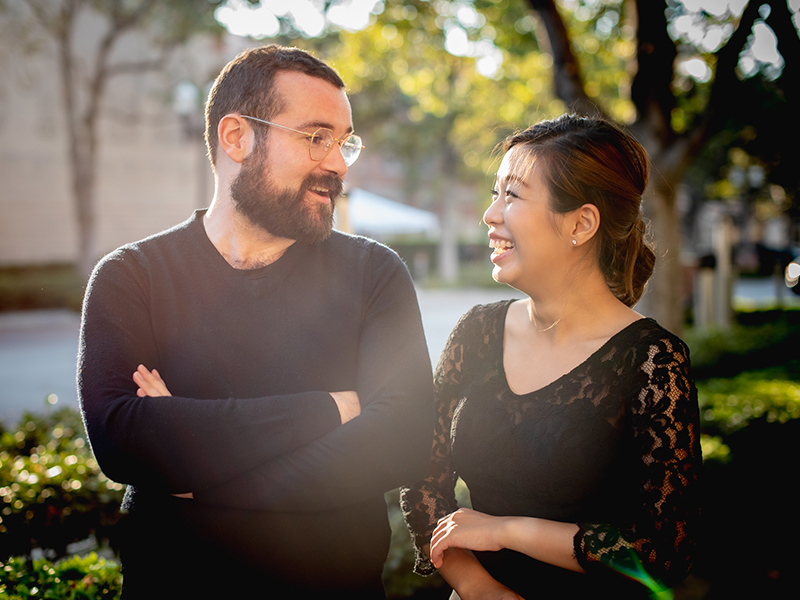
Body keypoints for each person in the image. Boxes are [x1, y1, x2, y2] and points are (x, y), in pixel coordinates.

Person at [77, 45, 434, 599]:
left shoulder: (374, 273)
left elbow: (403, 437)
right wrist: (326, 410)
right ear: (236, 137)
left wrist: (197, 468)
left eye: (345, 142)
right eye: (316, 137)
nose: (338, 162)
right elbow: (123, 439)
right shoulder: (132, 278)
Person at [400, 114, 701, 599]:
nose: (490, 215)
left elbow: (663, 553)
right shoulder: (477, 332)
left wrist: (505, 531)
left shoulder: (652, 360)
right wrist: (478, 588)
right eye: (495, 193)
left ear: (581, 223)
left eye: (512, 196)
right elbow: (422, 482)